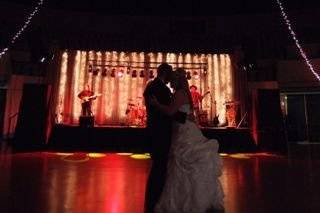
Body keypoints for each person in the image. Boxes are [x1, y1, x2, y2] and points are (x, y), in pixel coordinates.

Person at [150, 68, 224, 212]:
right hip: (188, 128)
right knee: (187, 164)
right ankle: (192, 198)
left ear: (176, 80)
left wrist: (156, 105)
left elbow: (170, 111)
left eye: (172, 80)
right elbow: (188, 115)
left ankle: (182, 200)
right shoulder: (186, 94)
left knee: (181, 161)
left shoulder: (179, 93)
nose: (170, 82)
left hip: (183, 131)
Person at [143, 63, 187, 213]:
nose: (171, 78)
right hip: (159, 134)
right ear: (165, 73)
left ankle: (152, 202)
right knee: (159, 169)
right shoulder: (159, 88)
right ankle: (152, 203)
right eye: (170, 75)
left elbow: (169, 110)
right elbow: (168, 111)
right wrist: (185, 117)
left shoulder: (154, 86)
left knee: (159, 168)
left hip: (158, 133)